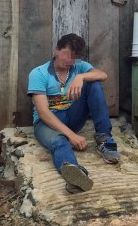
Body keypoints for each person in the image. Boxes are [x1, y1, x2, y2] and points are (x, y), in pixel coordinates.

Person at [27, 33, 120, 194]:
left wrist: (81, 77)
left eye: (74, 57)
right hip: (47, 123)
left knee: (94, 84)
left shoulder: (78, 66)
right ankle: (75, 175)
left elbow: (102, 75)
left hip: (72, 117)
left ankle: (104, 140)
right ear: (57, 50)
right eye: (67, 55)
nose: (70, 61)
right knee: (59, 142)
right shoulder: (39, 73)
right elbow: (43, 112)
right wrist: (72, 136)